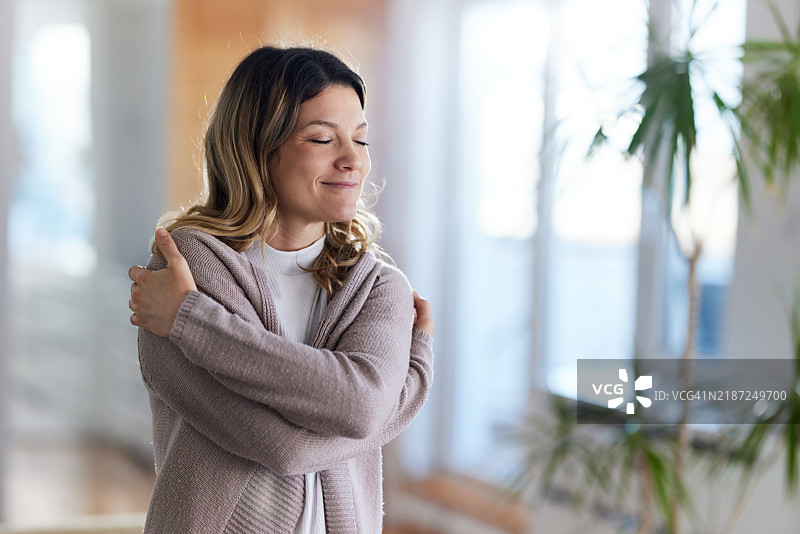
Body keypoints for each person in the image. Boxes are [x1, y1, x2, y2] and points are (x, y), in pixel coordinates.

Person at [127, 45, 434, 534]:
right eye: (321, 139)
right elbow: (283, 447)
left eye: (361, 139)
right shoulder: (186, 267)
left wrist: (191, 320)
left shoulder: (379, 287)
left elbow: (360, 408)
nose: (353, 160)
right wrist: (399, 391)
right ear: (257, 148)